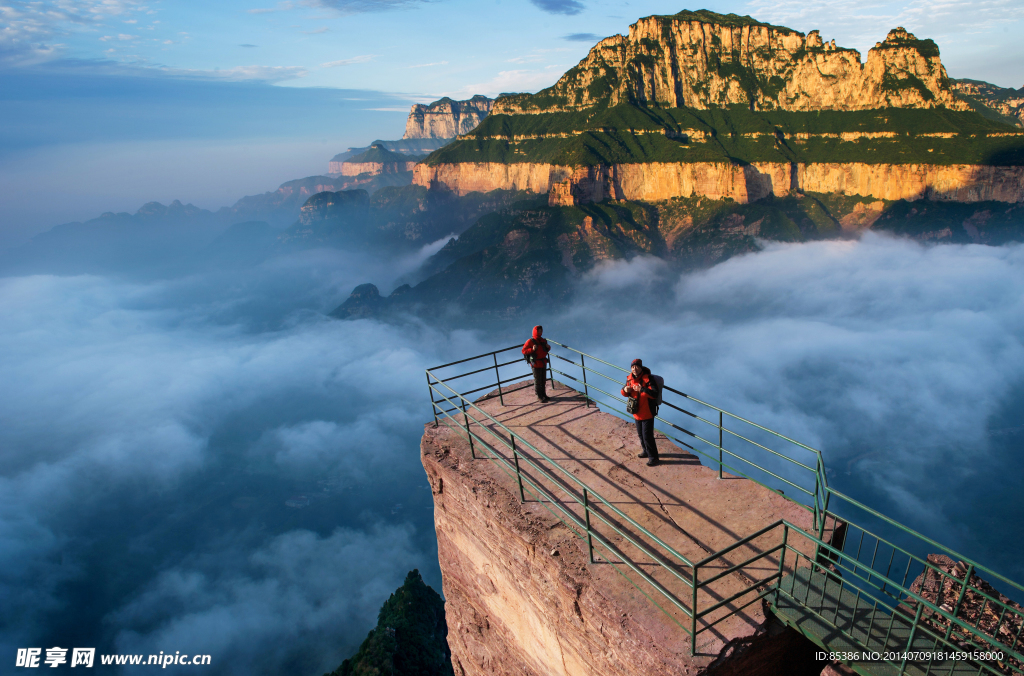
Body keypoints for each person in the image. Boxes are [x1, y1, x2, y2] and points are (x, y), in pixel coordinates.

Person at [621, 358, 660, 466]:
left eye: (636, 366)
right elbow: (623, 391)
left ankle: (654, 458)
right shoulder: (629, 379)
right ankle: (646, 451)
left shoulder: (648, 379)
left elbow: (654, 394)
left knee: (647, 436)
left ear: (641, 367)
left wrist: (642, 389)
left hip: (647, 412)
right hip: (636, 411)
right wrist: (625, 391)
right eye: (632, 367)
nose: (634, 369)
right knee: (641, 435)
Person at [522, 325, 551, 403]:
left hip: (543, 362)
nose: (540, 332)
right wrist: (532, 349)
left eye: (541, 330)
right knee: (538, 380)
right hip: (536, 363)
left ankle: (543, 394)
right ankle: (539, 396)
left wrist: (548, 347)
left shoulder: (543, 340)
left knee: (543, 380)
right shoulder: (530, 341)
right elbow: (524, 351)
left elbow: (545, 350)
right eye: (539, 330)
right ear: (535, 331)